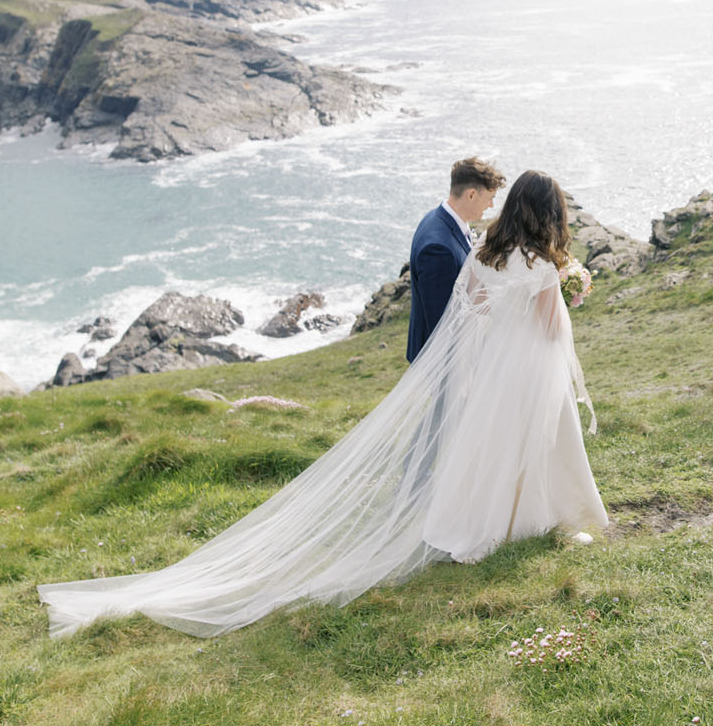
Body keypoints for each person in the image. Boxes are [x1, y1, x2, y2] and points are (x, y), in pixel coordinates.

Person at [37, 170, 607, 639]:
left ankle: (483, 526)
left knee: (490, 447)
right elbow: (551, 330)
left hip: (491, 371)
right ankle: (540, 518)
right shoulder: (540, 266)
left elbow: (473, 308)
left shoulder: (485, 252)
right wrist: (567, 289)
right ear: (549, 214)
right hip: (528, 368)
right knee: (537, 440)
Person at [408, 157, 506, 362]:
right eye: (489, 197)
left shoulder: (440, 218)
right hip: (445, 362)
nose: (491, 205)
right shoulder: (438, 249)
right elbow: (442, 322)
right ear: (471, 194)